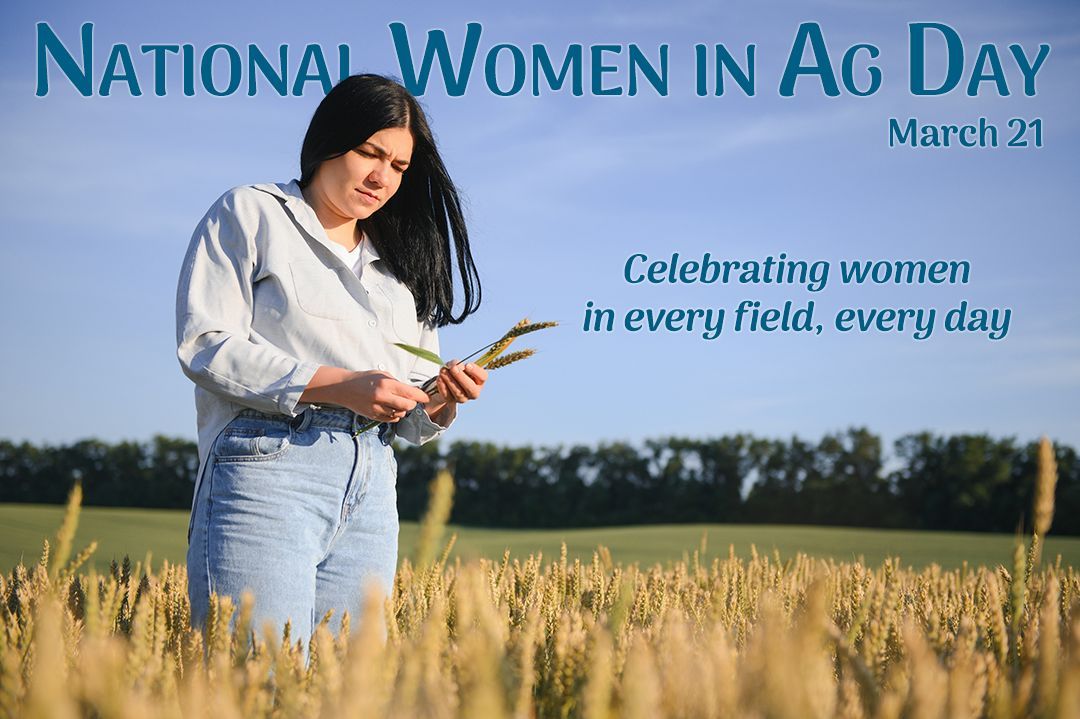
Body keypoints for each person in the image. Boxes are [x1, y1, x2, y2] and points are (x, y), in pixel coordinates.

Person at [175, 73, 485, 654]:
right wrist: (340, 386)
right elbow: (206, 343)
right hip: (267, 468)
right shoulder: (252, 212)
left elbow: (411, 419)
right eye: (370, 153)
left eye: (398, 166)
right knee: (256, 678)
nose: (381, 178)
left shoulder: (401, 267)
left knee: (350, 690)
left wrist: (442, 398)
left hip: (373, 483)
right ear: (326, 142)